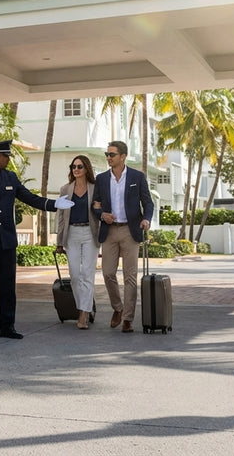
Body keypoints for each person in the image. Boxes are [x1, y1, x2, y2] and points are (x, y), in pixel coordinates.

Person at [0, 140, 72, 340]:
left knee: (8, 286)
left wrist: (54, 204)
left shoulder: (10, 177)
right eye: (5, 156)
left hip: (7, 242)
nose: (8, 159)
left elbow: (29, 197)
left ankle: (7, 326)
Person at [91, 141, 154, 333]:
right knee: (108, 273)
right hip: (109, 231)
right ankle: (118, 308)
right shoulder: (101, 179)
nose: (108, 158)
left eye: (112, 154)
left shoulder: (137, 176)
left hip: (131, 230)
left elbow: (148, 203)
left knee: (130, 277)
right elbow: (95, 205)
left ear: (123, 156)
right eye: (107, 154)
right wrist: (102, 215)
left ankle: (127, 318)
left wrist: (146, 219)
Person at [54, 155, 100, 329]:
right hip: (71, 233)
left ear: (86, 169)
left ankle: (83, 314)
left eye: (80, 166)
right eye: (73, 166)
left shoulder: (95, 189)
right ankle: (86, 307)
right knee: (74, 276)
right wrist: (59, 241)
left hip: (90, 232)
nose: (76, 169)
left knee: (87, 274)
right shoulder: (65, 189)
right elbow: (61, 217)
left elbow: (101, 212)